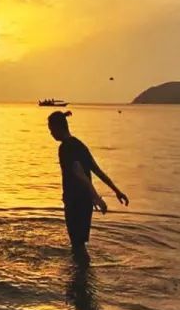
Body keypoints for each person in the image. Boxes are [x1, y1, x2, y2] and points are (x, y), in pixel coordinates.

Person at [47, 110, 128, 259]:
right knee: (80, 244)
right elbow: (97, 170)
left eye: (51, 129)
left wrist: (96, 196)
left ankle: (83, 278)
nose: (51, 134)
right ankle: (82, 276)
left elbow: (78, 171)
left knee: (77, 246)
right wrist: (117, 191)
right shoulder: (80, 145)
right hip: (85, 203)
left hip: (75, 202)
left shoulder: (65, 148)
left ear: (58, 127)